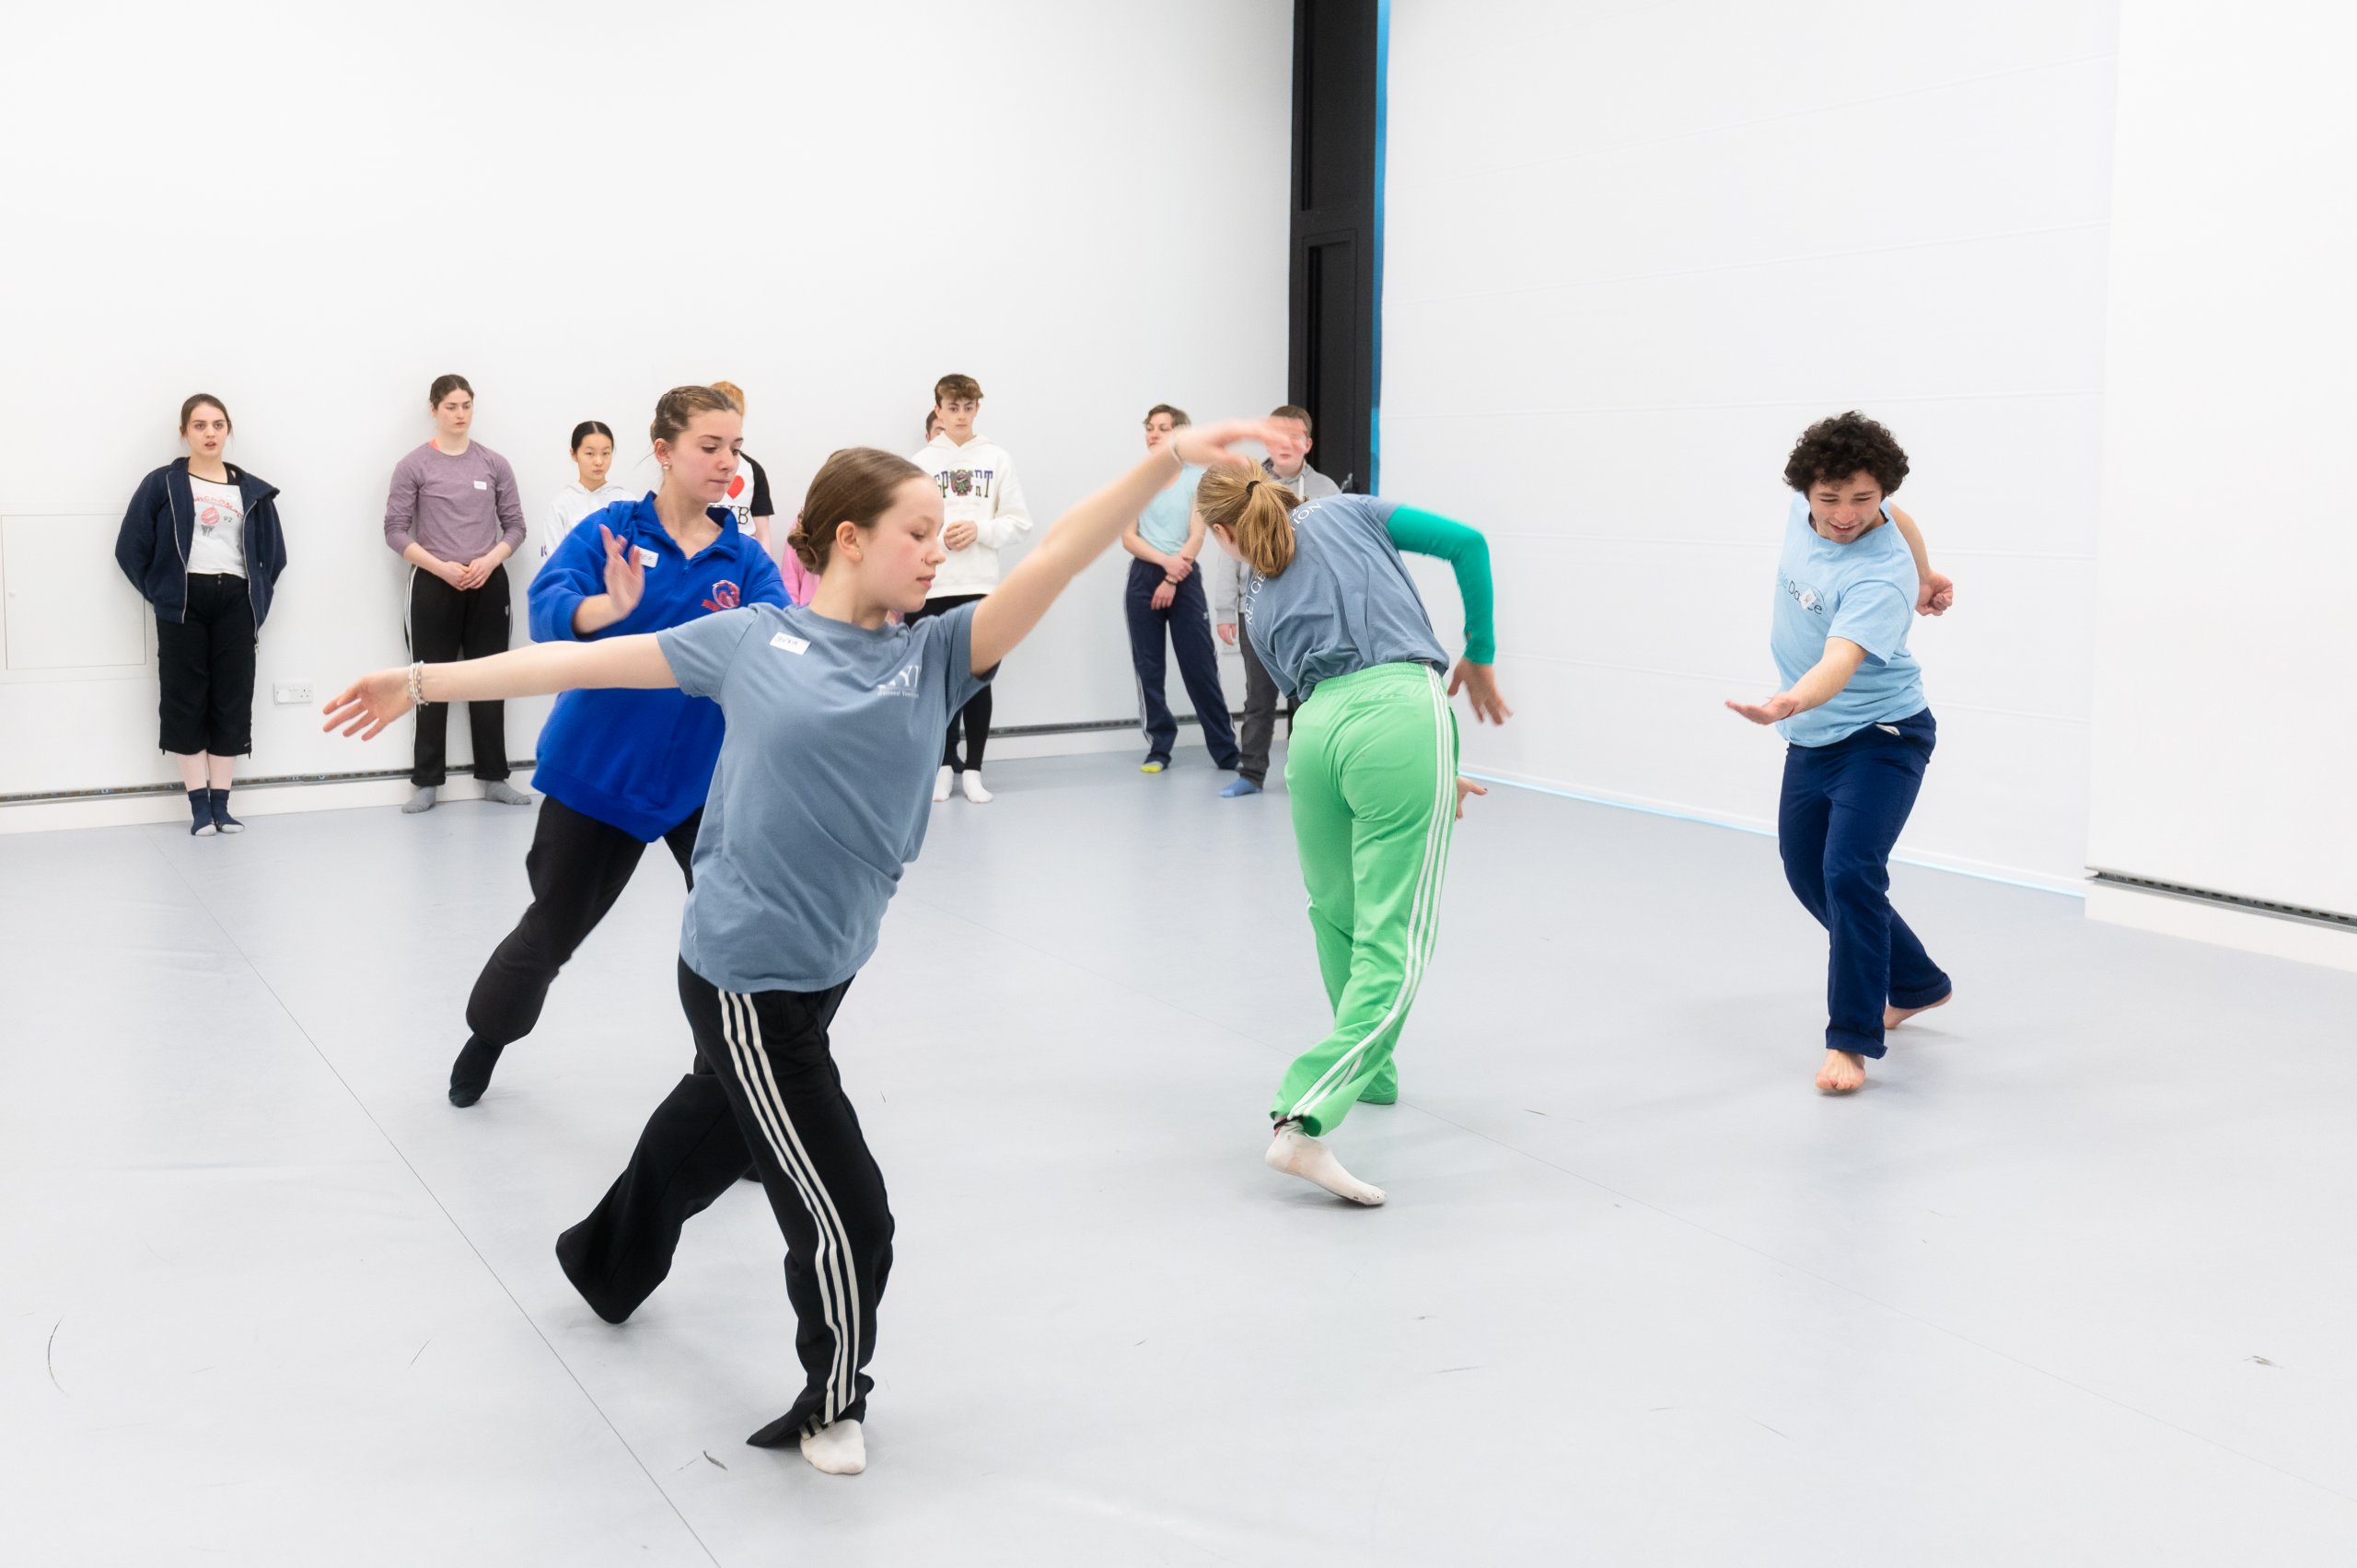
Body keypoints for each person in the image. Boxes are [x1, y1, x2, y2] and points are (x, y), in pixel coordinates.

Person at [323, 417, 1273, 1478]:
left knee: (708, 1123)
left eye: (940, 534)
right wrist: (418, 682)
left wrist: (1169, 459)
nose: (937, 549)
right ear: (850, 538)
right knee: (849, 1213)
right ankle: (833, 1398)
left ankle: (602, 1260)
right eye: (917, 531)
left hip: (829, 964)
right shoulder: (752, 639)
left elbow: (1058, 551)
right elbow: (578, 660)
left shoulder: (937, 655)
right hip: (746, 974)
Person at [447, 387, 786, 1107]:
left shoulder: (745, 558)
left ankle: (720, 1091)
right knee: (551, 930)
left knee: (736, 938)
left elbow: (784, 644)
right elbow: (546, 609)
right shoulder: (613, 530)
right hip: (599, 771)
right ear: (663, 450)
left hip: (704, 782)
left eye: (735, 447)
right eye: (710, 446)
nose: (728, 461)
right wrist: (609, 607)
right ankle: (487, 1036)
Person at [1194, 470, 1509, 1206]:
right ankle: (1302, 1115)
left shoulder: (1257, 603)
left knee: (1337, 912)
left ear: (1223, 535)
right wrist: (1481, 649)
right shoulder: (1350, 511)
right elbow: (1468, 544)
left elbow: (1312, 694)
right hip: (1401, 715)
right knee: (1394, 936)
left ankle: (1373, 1069)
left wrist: (1431, 771)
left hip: (1315, 739)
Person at [1725, 412, 1957, 1095]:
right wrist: (1929, 572)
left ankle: (1852, 1040)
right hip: (1814, 738)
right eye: (1831, 498)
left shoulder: (1878, 579)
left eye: (1865, 499)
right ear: (1807, 491)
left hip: (1883, 735)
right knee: (1807, 873)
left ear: (1880, 491)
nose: (1848, 515)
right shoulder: (1812, 515)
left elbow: (1840, 660)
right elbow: (1901, 519)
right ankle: (1916, 981)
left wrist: (1789, 701)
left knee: (1851, 871)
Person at [112, 393, 290, 835]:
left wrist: (256, 596)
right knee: (184, 697)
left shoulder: (252, 490)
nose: (210, 433)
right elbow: (130, 548)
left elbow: (274, 556)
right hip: (184, 602)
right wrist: (164, 592)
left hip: (235, 601)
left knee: (232, 696)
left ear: (228, 430)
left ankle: (222, 805)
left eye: (217, 425)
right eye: (199, 425)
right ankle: (198, 807)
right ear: (184, 432)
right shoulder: (163, 484)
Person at [382, 373, 531, 812]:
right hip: (433, 582)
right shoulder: (413, 465)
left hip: (487, 582)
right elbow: (394, 530)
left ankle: (494, 778)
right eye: (451, 406)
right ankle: (427, 782)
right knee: (428, 682)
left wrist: (489, 560)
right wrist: (441, 567)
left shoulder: (494, 464)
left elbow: (516, 526)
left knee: (492, 680)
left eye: (467, 405)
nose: (460, 414)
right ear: (434, 410)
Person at [909, 373, 1032, 804]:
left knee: (978, 679)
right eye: (952, 407)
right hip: (932, 586)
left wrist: (979, 530)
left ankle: (974, 770)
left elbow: (1019, 522)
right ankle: (943, 766)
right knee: (936, 683)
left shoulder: (997, 458)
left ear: (977, 408)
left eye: (967, 407)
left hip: (980, 585)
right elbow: (909, 525)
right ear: (938, 410)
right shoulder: (921, 462)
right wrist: (939, 537)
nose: (960, 415)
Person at [1212, 404, 1339, 796]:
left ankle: (1310, 775)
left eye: (1294, 436)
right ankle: (1250, 774)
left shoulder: (1326, 490)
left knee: (1309, 697)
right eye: (1277, 436)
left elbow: (1334, 550)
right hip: (1255, 612)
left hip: (1307, 613)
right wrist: (1225, 610)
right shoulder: (1246, 485)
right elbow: (1227, 551)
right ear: (1267, 442)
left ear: (1307, 444)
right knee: (1259, 698)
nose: (1285, 444)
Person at [1120, 403, 1240, 774]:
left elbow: (1197, 534)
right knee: (1149, 668)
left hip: (1184, 577)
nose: (1153, 434)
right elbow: (1128, 537)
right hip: (1144, 577)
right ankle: (1159, 748)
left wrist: (1173, 576)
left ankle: (1226, 750)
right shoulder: (1137, 480)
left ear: (1180, 435)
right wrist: (1164, 564)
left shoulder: (1196, 479)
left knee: (1199, 665)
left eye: (1162, 428)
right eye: (1149, 428)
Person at [542, 421, 631, 564]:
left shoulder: (627, 501)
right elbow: (553, 564)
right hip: (573, 579)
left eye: (605, 453)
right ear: (574, 454)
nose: (599, 461)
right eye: (590, 453)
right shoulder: (560, 506)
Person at [708, 380, 778, 556]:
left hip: (742, 558)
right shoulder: (698, 466)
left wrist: (766, 567)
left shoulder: (753, 470)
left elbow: (763, 534)